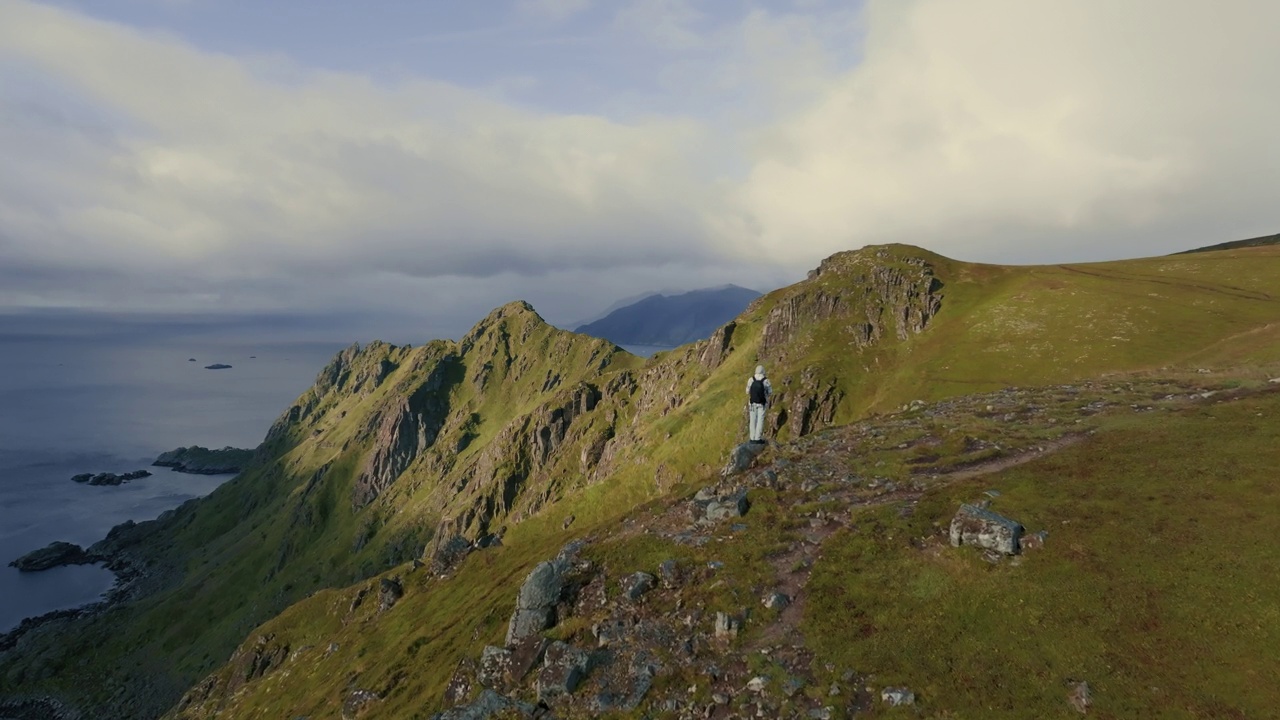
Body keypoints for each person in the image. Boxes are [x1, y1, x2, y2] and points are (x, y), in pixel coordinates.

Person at [745, 364, 773, 443]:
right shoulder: (766, 380)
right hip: (762, 404)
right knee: (760, 420)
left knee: (752, 420)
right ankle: (758, 438)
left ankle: (752, 438)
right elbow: (770, 392)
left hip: (752, 403)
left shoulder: (751, 379)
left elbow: (747, 391)